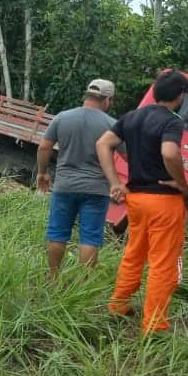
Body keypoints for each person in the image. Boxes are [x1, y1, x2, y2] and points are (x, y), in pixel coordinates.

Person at [96, 70, 188, 334]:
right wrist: (181, 183)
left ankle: (118, 304)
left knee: (134, 253)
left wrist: (115, 182)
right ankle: (154, 325)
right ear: (180, 95)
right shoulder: (172, 121)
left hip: (135, 199)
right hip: (164, 200)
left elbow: (103, 143)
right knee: (163, 262)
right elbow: (170, 152)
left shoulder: (132, 117)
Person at [36, 78, 117, 279]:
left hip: (64, 186)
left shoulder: (62, 118)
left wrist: (42, 172)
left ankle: (53, 277)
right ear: (108, 100)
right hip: (96, 190)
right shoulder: (112, 125)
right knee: (90, 237)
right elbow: (129, 155)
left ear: (87, 95)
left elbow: (44, 146)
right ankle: (82, 286)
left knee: (57, 232)